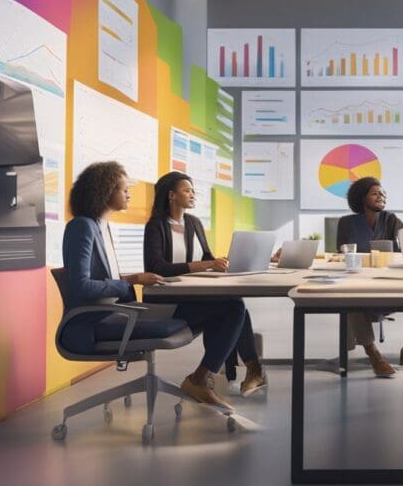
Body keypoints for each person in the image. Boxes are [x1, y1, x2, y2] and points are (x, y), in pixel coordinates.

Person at [61, 161, 244, 411]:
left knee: (231, 307)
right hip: (97, 321)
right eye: (123, 189)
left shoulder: (101, 227)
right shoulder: (83, 227)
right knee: (230, 309)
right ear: (105, 191)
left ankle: (200, 379)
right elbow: (82, 287)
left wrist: (131, 278)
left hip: (123, 310)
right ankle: (200, 381)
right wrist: (132, 280)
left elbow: (104, 277)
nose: (128, 194)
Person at [143, 171, 266, 397]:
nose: (193, 194)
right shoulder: (156, 226)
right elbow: (157, 266)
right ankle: (208, 376)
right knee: (234, 308)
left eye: (193, 190)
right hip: (165, 303)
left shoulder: (193, 223)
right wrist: (205, 265)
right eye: (187, 190)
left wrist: (220, 263)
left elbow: (206, 257)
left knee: (234, 305)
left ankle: (243, 371)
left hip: (192, 296)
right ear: (171, 195)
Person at [336, 177, 403, 377]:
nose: (381, 196)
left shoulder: (391, 220)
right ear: (362, 197)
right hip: (356, 279)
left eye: (383, 194)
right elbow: (340, 254)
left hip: (387, 281)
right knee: (350, 299)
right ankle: (373, 353)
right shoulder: (347, 223)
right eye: (375, 193)